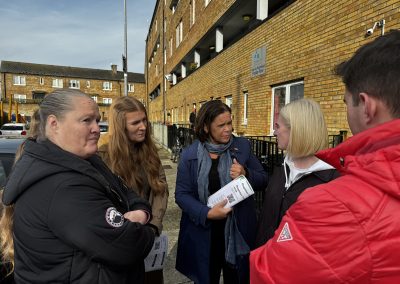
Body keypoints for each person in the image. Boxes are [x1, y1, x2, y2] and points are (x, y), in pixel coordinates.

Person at [250, 30, 400, 283]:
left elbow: (269, 275)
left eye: (345, 102)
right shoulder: (282, 168)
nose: (273, 131)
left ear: (366, 106)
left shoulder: (331, 195)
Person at [0, 89, 155, 283]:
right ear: (54, 124)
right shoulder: (62, 186)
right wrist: (148, 230)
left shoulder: (87, 161)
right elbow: (129, 245)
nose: (97, 128)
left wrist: (141, 213)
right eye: (86, 120)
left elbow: (127, 194)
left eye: (97, 120)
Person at [175, 100, 268, 284]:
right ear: (206, 127)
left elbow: (264, 179)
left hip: (237, 232)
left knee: (237, 278)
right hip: (205, 233)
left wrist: (246, 173)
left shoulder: (242, 147)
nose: (228, 129)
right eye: (221, 125)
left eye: (229, 123)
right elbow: (182, 194)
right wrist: (207, 213)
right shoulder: (190, 155)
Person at [98, 96, 169, 284]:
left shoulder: (149, 150)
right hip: (118, 241)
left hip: (148, 236)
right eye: (135, 122)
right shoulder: (102, 153)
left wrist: (154, 224)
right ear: (120, 125)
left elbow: (160, 189)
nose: (143, 126)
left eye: (144, 120)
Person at [254, 98, 339, 247]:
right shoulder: (282, 166)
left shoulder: (331, 182)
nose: (274, 132)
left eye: (277, 126)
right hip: (263, 262)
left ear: (296, 130)